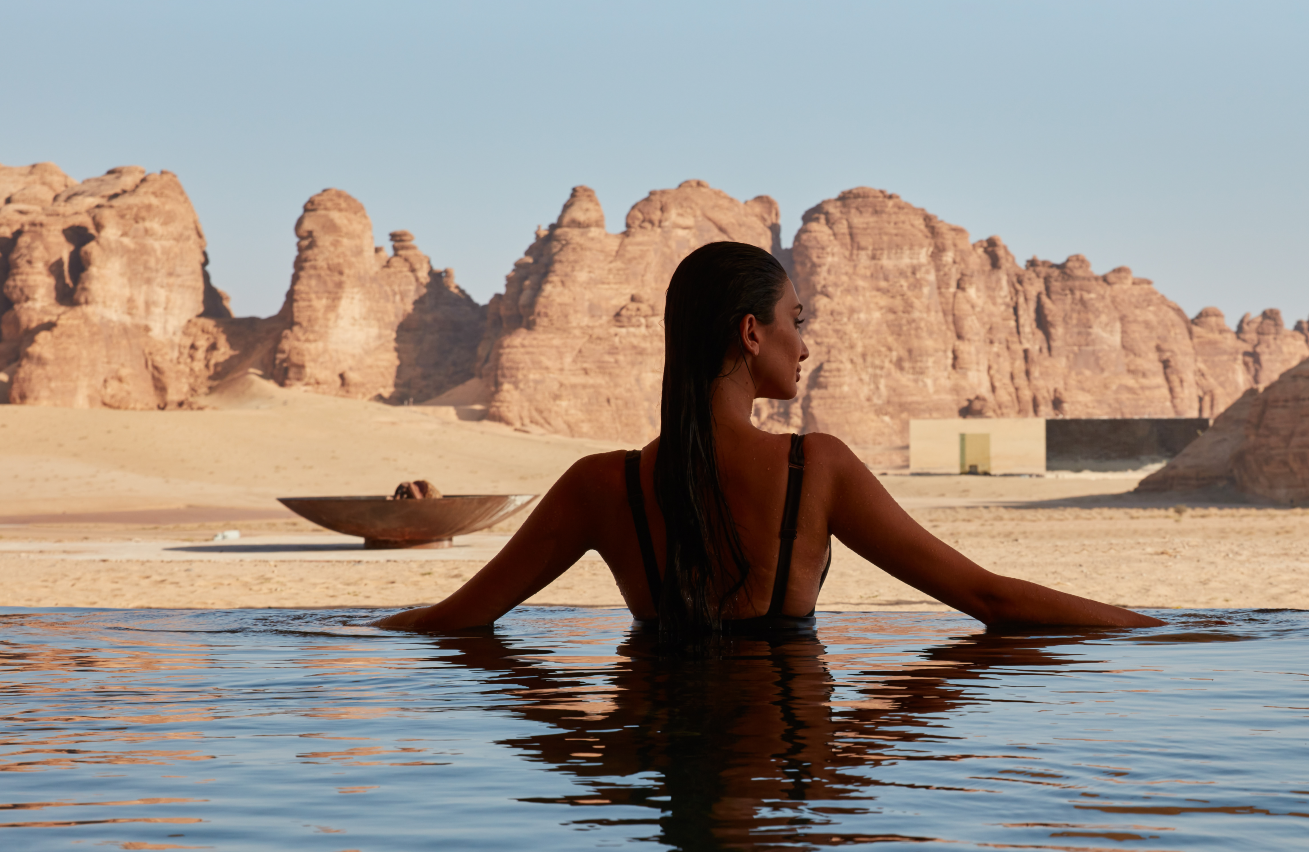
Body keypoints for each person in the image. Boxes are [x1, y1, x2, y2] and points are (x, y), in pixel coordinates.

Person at [375, 241, 1163, 637]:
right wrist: (1157, 627)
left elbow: (454, 620)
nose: (806, 343)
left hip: (659, 761)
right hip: (788, 745)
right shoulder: (817, 469)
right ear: (752, 333)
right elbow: (988, 599)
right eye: (797, 321)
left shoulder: (598, 486)